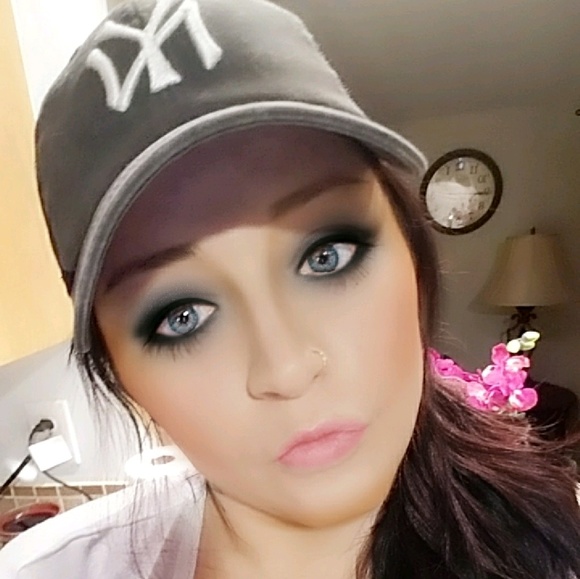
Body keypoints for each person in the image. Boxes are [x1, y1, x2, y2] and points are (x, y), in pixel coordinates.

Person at [1, 0, 579, 577]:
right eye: (182, 316)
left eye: (326, 257)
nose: (287, 369)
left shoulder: (555, 543)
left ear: (415, 259)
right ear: (118, 371)